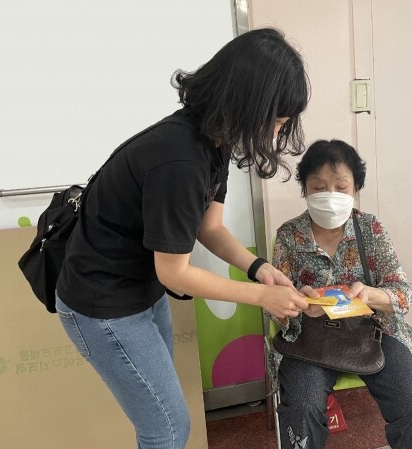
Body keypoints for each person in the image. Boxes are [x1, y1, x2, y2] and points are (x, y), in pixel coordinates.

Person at [55, 28, 310, 449]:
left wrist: (259, 268)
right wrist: (262, 297)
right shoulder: (180, 157)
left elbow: (209, 228)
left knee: (164, 420)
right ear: (249, 103)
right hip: (103, 304)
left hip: (141, 291)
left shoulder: (215, 141)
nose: (276, 133)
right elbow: (174, 272)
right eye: (278, 120)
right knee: (168, 429)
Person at [269, 139, 412, 449]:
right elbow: (273, 304)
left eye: (341, 187)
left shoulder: (370, 229)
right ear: (305, 189)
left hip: (373, 332)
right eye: (318, 187)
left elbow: (403, 294)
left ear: (356, 187)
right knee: (302, 411)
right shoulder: (289, 235)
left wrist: (369, 295)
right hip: (309, 339)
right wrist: (299, 303)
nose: (330, 195)